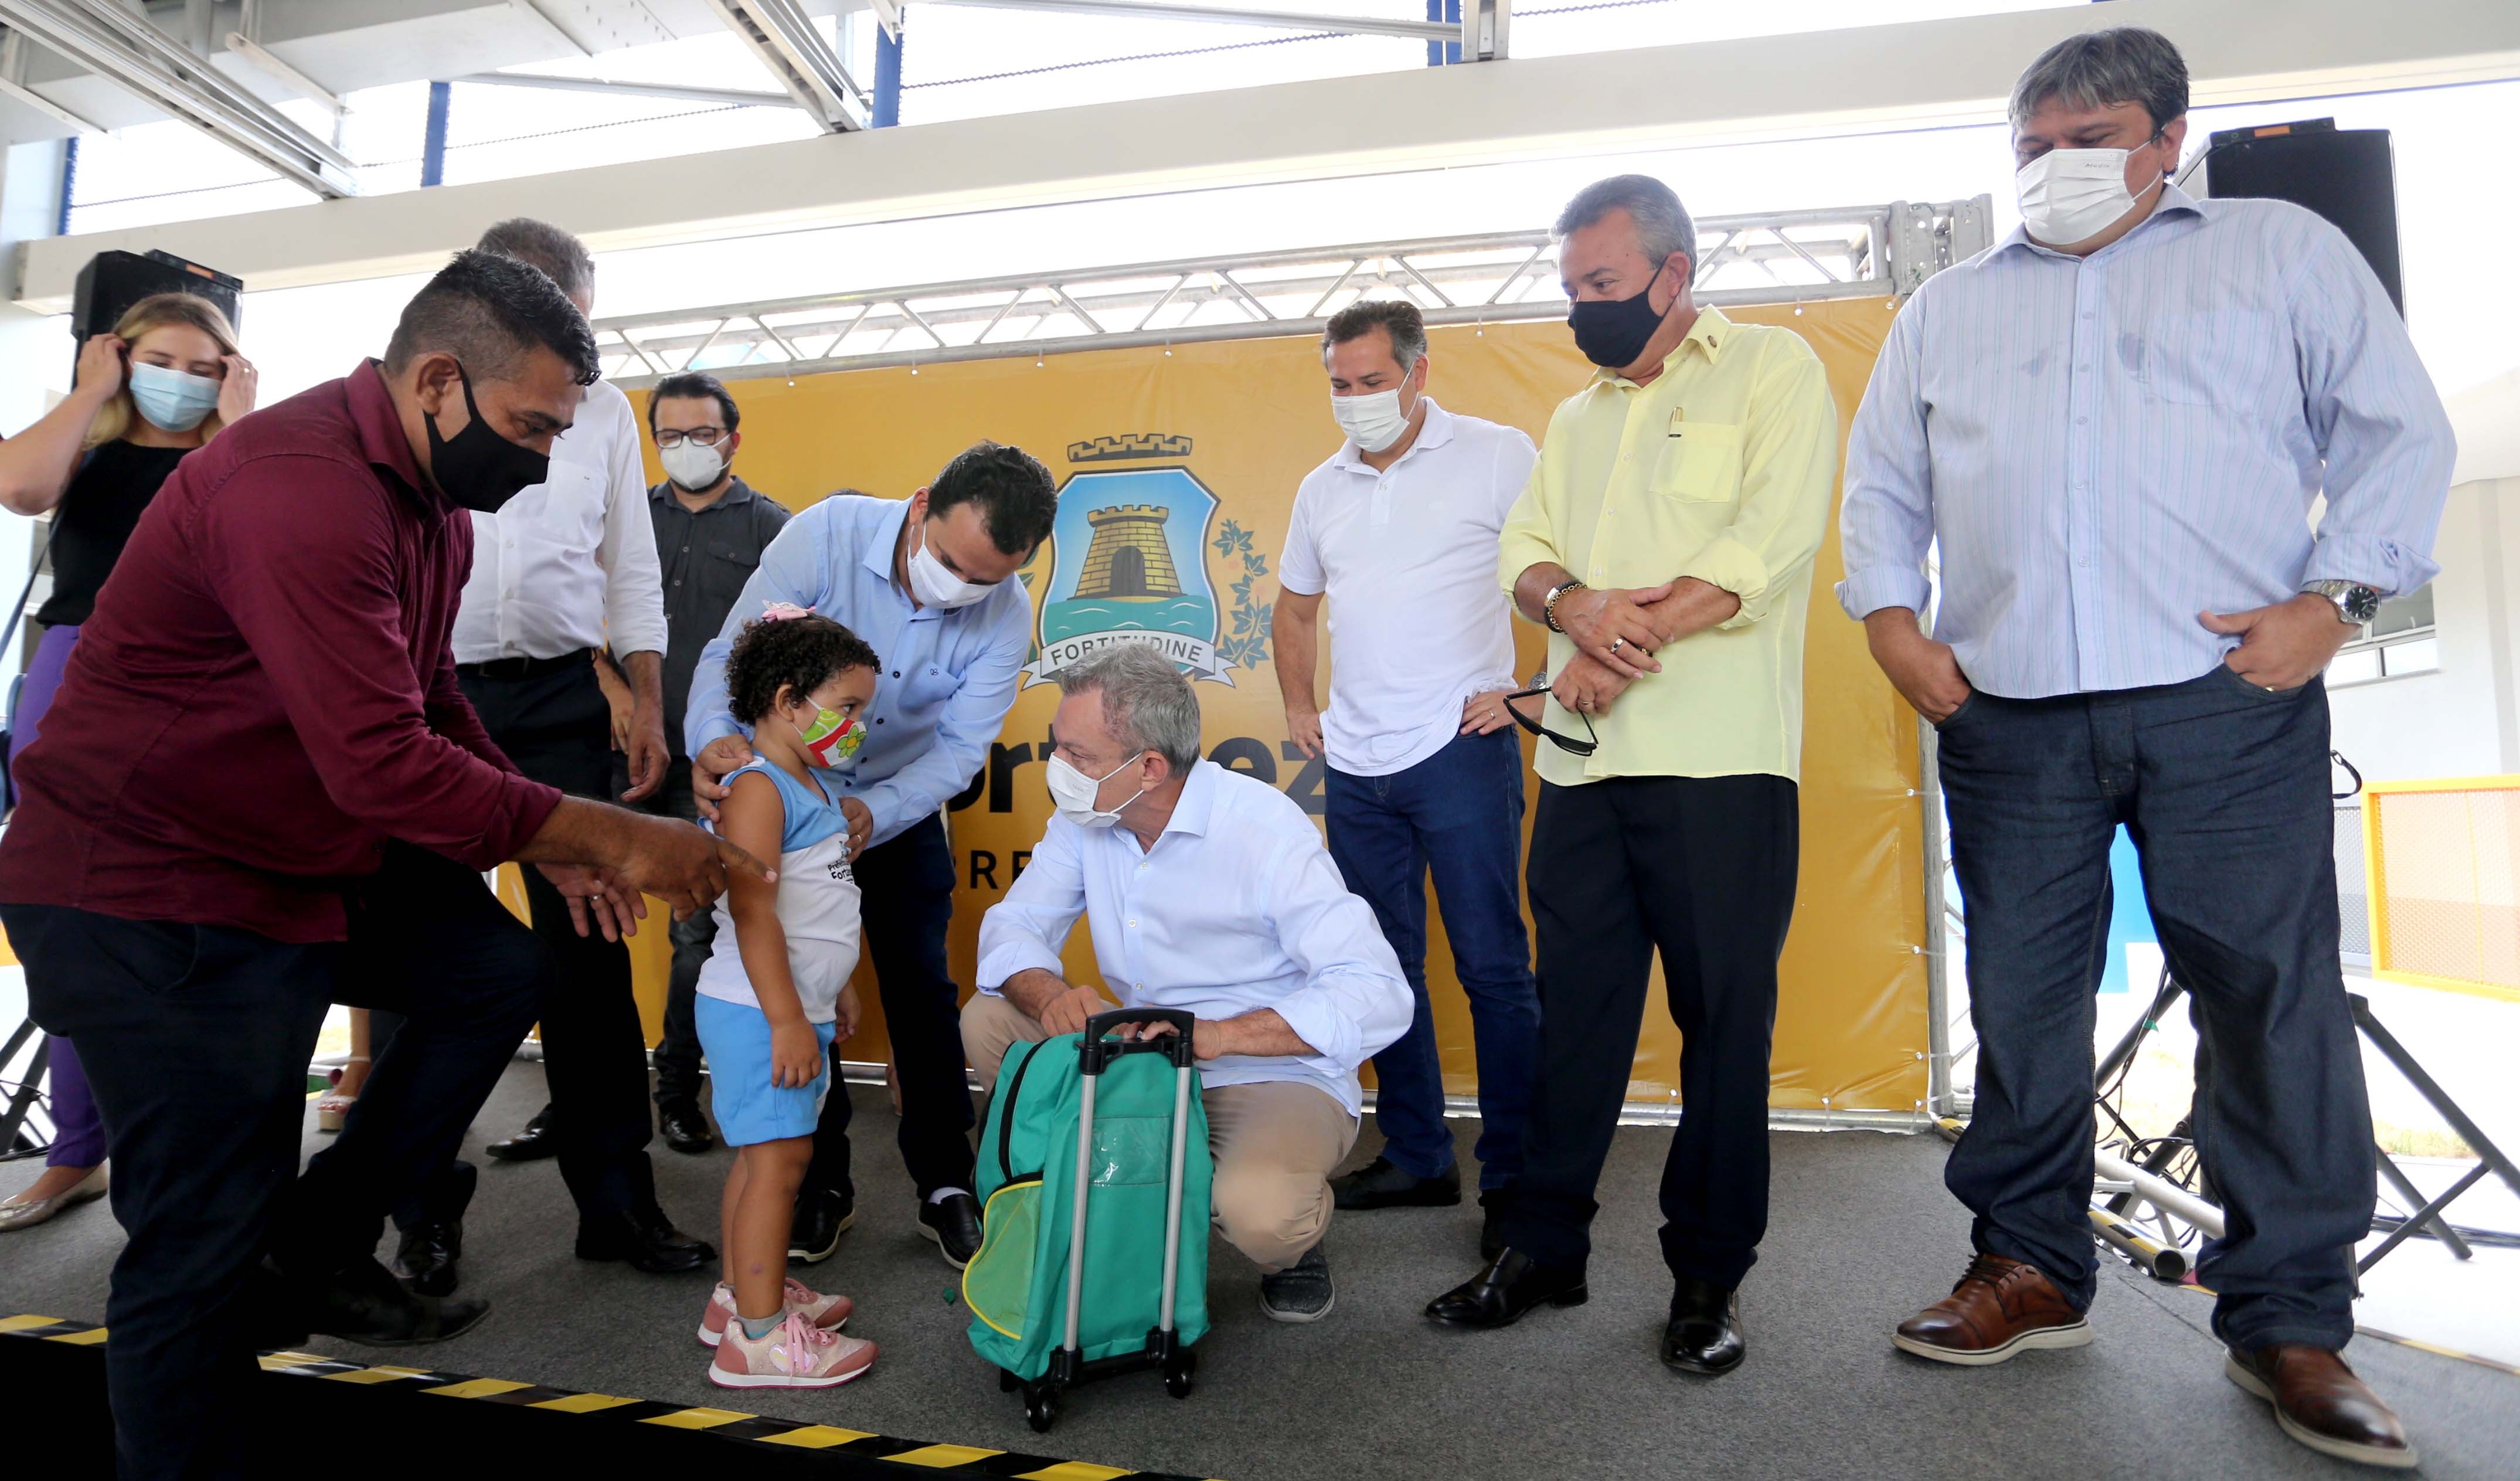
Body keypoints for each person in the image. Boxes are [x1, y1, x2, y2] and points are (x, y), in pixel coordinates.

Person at [0, 247, 770, 1481]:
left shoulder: (428, 507)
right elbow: (383, 770)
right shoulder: (298, 485)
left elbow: (430, 703)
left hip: (289, 856)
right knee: (198, 1247)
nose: (537, 460)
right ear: (436, 381)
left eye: (558, 435)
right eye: (526, 426)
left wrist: (554, 833)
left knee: (494, 971)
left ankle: (322, 1231)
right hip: (148, 884)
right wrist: (619, 835)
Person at [1838, 29, 2451, 1469]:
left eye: (2093, 134)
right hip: (2010, 714)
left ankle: (2291, 1318)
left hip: (2223, 698)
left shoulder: (2279, 252)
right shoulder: (1948, 307)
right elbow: (1883, 480)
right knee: (2026, 1004)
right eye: (2033, 144)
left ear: (2169, 138)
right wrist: (1888, 618)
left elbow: (2397, 432)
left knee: (2265, 1001)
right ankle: (2031, 1265)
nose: (2060, 164)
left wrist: (2338, 598)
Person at [1425, 174, 1840, 1379]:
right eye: (1569, 290)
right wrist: (1571, 607)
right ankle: (1542, 1248)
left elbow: (1763, 546)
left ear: (1671, 274)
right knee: (1577, 1020)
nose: (1581, 310)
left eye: (1599, 286)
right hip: (1584, 772)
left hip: (1720, 765)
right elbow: (1526, 552)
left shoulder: (1771, 371)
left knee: (1722, 1030)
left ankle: (1706, 1280)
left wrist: (1610, 652)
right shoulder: (1574, 419)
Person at [686, 440, 1060, 1269]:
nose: (964, 589)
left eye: (987, 578)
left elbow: (960, 750)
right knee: (795, 980)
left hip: (889, 807)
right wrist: (719, 747)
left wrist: (872, 810)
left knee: (921, 992)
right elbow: (730, 653)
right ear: (921, 504)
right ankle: (820, 1183)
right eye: (953, 564)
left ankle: (944, 1183)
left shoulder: (1005, 613)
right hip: (780, 798)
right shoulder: (824, 535)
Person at [962, 646, 1412, 1321]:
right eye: (1058, 749)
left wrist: (1222, 1034)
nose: (1058, 768)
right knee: (989, 1018)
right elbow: (1013, 928)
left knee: (1263, 1214)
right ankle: (1119, 1182)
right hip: (1145, 1053)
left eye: (1076, 755)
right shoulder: (1086, 821)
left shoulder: (1264, 830)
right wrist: (1051, 996)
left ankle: (1291, 1247)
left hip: (1265, 1072)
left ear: (1148, 768)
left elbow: (1376, 990)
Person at [453, 219, 706, 1278]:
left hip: (561, 696)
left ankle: (616, 1208)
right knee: (431, 951)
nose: (577, 361)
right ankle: (424, 1211)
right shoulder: (427, 389)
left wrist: (644, 697)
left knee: (592, 949)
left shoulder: (601, 413)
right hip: (433, 692)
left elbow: (628, 568)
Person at [1272, 297, 1539, 1247]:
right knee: (1380, 971)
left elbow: (1570, 577)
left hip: (1459, 751)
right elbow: (1295, 607)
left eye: (1371, 382)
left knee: (1491, 967)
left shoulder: (1499, 453)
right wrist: (1301, 706)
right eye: (1339, 386)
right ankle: (1420, 1155)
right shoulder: (1320, 488)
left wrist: (1526, 694)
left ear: (1418, 372)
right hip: (1356, 765)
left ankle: (1513, 1178)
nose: (1354, 401)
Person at [0, 292, 255, 1235]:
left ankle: (196, 1147)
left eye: (206, 365)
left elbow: (276, 538)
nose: (182, 382)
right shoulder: (90, 452)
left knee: (197, 903)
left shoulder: (241, 458)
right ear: (117, 355)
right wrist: (92, 389)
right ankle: (77, 1148)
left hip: (203, 681)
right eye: (162, 360)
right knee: (72, 910)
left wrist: (244, 422)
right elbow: (21, 488)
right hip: (75, 671)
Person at [593, 370, 791, 1159]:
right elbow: (570, 614)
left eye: (701, 434)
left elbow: (788, 649)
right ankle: (587, 1093)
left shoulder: (774, 527)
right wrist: (610, 686)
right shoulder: (625, 516)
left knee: (693, 929)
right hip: (616, 751)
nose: (685, 449)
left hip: (712, 763)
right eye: (668, 435)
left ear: (732, 440)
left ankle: (676, 1088)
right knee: (587, 921)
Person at [692, 606, 880, 1390]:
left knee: (761, 1157)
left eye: (863, 710)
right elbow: (754, 911)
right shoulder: (760, 791)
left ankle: (737, 1297)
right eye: (845, 707)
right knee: (779, 1163)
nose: (856, 726)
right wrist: (783, 1019)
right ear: (785, 699)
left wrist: (832, 994)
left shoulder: (810, 786)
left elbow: (824, 902)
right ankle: (759, 1340)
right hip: (756, 1011)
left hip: (788, 1006)